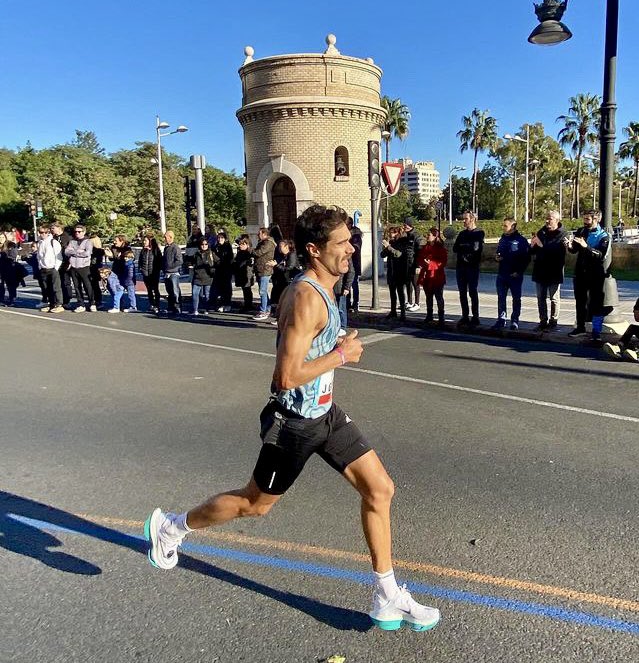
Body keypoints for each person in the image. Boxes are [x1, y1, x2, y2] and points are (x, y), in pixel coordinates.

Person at [144, 203, 440, 632]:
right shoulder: (305, 297)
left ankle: (386, 592)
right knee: (254, 505)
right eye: (342, 243)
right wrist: (341, 354)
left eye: (351, 241)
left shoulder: (326, 290)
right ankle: (172, 527)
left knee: (380, 489)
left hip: (325, 415)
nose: (352, 249)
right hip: (294, 424)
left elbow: (308, 349)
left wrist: (334, 342)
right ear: (315, 251)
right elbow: (284, 377)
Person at [566, 210, 610, 342]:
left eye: (587, 219)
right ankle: (580, 327)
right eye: (584, 219)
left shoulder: (604, 236)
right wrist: (569, 246)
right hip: (580, 272)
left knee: (596, 303)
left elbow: (600, 255)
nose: (585, 222)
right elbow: (575, 250)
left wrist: (586, 247)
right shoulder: (581, 231)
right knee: (580, 302)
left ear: (596, 220)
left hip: (595, 273)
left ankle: (596, 331)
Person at [530, 211, 568, 331]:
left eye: (550, 219)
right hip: (540, 270)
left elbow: (557, 251)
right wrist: (532, 246)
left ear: (557, 220)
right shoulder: (541, 232)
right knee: (541, 297)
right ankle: (542, 320)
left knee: (554, 298)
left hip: (554, 270)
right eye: (546, 218)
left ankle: (553, 321)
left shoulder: (563, 234)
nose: (547, 221)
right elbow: (534, 251)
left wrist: (541, 245)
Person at [492, 218, 530, 331]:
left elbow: (526, 258)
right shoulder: (503, 239)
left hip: (515, 275)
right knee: (501, 298)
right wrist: (497, 258)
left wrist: (519, 271)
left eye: (505, 226)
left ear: (513, 227)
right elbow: (499, 252)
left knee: (516, 299)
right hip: (502, 273)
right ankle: (501, 319)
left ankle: (514, 320)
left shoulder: (521, 240)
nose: (503, 228)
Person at [453, 211, 484, 328]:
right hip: (460, 266)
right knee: (462, 292)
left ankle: (475, 316)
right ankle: (465, 316)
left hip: (472, 267)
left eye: (465, 219)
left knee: (472, 291)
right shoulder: (461, 234)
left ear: (472, 219)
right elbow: (455, 248)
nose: (463, 221)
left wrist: (464, 246)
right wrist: (466, 246)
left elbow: (476, 248)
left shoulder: (479, 233)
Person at [417, 227, 447, 327]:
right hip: (426, 276)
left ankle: (441, 317)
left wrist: (430, 264)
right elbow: (420, 258)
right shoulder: (425, 247)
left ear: (435, 237)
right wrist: (422, 263)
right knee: (428, 296)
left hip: (437, 276)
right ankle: (429, 314)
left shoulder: (440, 249)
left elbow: (442, 262)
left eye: (429, 235)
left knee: (439, 296)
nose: (427, 237)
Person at [64, 224, 96, 312]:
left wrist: (74, 252)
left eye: (79, 231)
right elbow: (67, 251)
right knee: (77, 286)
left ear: (84, 232)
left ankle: (92, 302)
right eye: (76, 231)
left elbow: (87, 253)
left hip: (84, 266)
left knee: (87, 285)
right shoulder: (72, 241)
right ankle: (80, 304)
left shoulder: (88, 241)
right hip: (74, 266)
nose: (77, 233)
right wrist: (78, 252)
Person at [270, 240, 302, 322]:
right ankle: (279, 317)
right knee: (279, 299)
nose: (279, 248)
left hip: (289, 280)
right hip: (281, 280)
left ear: (286, 247)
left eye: (281, 246)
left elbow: (289, 268)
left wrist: (276, 266)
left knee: (286, 300)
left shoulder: (291, 255)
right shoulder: (281, 255)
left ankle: (285, 318)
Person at [36, 226, 64, 313]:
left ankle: (59, 304)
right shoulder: (40, 243)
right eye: (41, 232)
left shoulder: (53, 242)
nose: (43, 234)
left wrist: (55, 268)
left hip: (52, 268)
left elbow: (59, 256)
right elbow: (39, 256)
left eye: (45, 232)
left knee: (56, 287)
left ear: (48, 233)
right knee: (47, 288)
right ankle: (51, 304)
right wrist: (40, 266)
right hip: (43, 268)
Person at [380, 227, 406, 322]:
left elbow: (398, 254)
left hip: (399, 271)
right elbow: (382, 255)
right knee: (392, 292)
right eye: (390, 233)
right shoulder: (390, 243)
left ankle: (403, 312)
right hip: (391, 271)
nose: (391, 235)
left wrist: (389, 247)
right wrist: (385, 247)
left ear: (397, 233)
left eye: (393, 233)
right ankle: (393, 311)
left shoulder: (401, 242)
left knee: (400, 292)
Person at [106, 235, 137, 313]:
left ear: (121, 241)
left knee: (122, 289)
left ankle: (120, 305)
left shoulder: (127, 249)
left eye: (116, 240)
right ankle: (118, 302)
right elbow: (112, 258)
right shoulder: (113, 247)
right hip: (115, 269)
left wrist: (116, 257)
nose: (114, 242)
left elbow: (128, 259)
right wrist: (110, 256)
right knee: (110, 284)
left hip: (124, 271)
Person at [252, 228, 276, 321]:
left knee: (262, 291)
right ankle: (267, 309)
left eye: (259, 233)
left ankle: (263, 311)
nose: (258, 235)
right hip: (260, 269)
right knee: (263, 291)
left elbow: (259, 252)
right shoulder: (262, 242)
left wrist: (249, 249)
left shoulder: (268, 243)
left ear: (264, 234)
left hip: (265, 269)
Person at [400, 217, 422, 312]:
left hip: (414, 263)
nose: (404, 226)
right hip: (407, 263)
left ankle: (417, 303)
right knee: (408, 283)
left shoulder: (416, 236)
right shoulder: (407, 236)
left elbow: (419, 251)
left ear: (410, 225)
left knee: (415, 283)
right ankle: (409, 302)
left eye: (405, 225)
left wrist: (418, 265)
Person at [190, 237, 216, 316]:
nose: (204, 246)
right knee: (195, 294)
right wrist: (191, 266)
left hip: (208, 277)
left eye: (206, 244)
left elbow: (218, 262)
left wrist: (213, 269)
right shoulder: (196, 254)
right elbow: (191, 262)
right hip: (197, 277)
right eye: (202, 244)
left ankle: (206, 308)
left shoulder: (211, 254)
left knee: (207, 294)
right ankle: (195, 309)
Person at [50, 222, 73, 306]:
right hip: (56, 262)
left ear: (59, 228)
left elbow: (69, 251)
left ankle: (67, 300)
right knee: (57, 282)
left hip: (65, 262)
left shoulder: (66, 237)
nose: (52, 230)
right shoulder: (53, 238)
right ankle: (59, 300)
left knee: (65, 282)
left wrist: (70, 262)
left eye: (53, 228)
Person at [210, 231, 234, 312]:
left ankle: (227, 304)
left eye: (222, 238)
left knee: (227, 288)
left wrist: (221, 261)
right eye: (219, 238)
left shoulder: (227, 246)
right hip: (218, 270)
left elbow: (229, 258)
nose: (220, 239)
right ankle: (221, 304)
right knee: (219, 288)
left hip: (226, 269)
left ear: (225, 238)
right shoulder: (216, 246)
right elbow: (213, 256)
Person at [333, 243, 354, 336]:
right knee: (334, 307)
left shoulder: (346, 257)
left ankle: (342, 326)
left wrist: (347, 287)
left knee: (341, 307)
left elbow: (351, 272)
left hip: (340, 287)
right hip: (332, 286)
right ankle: (336, 326)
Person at [139, 233, 163, 314]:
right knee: (149, 290)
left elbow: (159, 261)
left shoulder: (155, 250)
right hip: (145, 272)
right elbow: (140, 261)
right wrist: (141, 269)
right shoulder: (143, 251)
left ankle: (157, 305)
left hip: (154, 273)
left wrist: (157, 270)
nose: (144, 242)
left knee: (155, 289)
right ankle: (151, 304)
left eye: (145, 240)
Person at [162, 230, 184, 315]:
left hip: (174, 273)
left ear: (170, 237)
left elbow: (179, 261)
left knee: (175, 291)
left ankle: (178, 307)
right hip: (166, 273)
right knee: (169, 291)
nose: (164, 238)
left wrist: (171, 267)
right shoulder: (166, 248)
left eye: (165, 237)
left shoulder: (175, 248)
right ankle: (171, 307)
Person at [233, 235, 255, 312]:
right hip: (240, 273)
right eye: (240, 244)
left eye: (242, 244)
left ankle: (248, 305)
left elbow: (250, 263)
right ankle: (247, 304)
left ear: (247, 244)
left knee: (247, 289)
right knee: (245, 289)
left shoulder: (250, 252)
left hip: (247, 273)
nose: (240, 245)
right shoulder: (240, 252)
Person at [349, 217, 363, 313]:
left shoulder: (356, 235)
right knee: (347, 285)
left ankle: (355, 304)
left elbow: (356, 248)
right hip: (348, 262)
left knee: (354, 284)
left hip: (354, 263)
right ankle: (348, 304)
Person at [88, 234, 106, 310]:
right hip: (93, 268)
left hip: (95, 269)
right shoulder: (97, 250)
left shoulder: (99, 250)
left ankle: (97, 301)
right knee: (93, 286)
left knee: (94, 286)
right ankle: (95, 301)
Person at [0, 238, 19, 306]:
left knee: (11, 285)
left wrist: (4, 256)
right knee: (1, 284)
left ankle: (12, 299)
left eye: (2, 237)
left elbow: (13, 256)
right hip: (2, 268)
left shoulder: (11, 245)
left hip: (10, 268)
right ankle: (1, 298)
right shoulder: (2, 246)